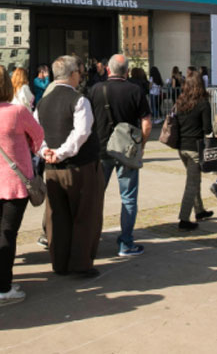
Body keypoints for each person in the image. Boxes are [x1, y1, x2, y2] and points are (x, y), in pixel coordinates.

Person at [0, 66, 44, 305]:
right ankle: (4, 288)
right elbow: (38, 136)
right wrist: (27, 144)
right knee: (8, 234)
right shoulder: (18, 112)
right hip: (16, 180)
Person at [35, 55, 103, 277]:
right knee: (85, 215)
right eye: (79, 73)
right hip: (79, 166)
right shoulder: (79, 100)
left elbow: (36, 133)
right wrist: (61, 152)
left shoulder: (43, 102)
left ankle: (60, 262)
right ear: (73, 75)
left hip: (53, 168)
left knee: (58, 216)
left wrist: (46, 151)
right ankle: (80, 263)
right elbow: (81, 133)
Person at [90, 54, 152, 257]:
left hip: (102, 149)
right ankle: (126, 243)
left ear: (108, 70)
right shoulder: (135, 90)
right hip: (128, 150)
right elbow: (147, 122)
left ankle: (90, 240)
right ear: (127, 71)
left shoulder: (96, 90)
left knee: (96, 196)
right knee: (128, 198)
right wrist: (141, 145)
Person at [173, 73, 215, 229]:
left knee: (194, 179)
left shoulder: (180, 102)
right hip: (195, 148)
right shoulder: (203, 103)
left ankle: (199, 210)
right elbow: (207, 128)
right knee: (192, 183)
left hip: (181, 147)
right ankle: (184, 219)